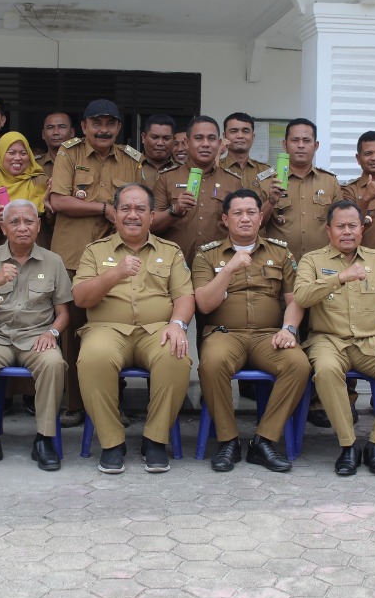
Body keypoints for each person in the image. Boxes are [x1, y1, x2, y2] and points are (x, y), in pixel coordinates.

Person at [72, 183, 195, 475]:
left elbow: (184, 296)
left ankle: (155, 439)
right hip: (107, 329)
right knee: (93, 358)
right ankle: (112, 442)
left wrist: (178, 324)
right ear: (115, 214)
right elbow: (81, 298)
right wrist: (115, 273)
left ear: (152, 216)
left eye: (140, 209)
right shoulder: (95, 251)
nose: (132, 215)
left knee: (176, 356)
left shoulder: (170, 251)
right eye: (125, 208)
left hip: (157, 331)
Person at [295, 200, 375, 477]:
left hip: (371, 343)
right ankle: (348, 445)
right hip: (328, 341)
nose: (347, 232)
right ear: (329, 230)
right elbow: (301, 297)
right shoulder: (312, 260)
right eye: (340, 226)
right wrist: (339, 278)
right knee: (326, 371)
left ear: (362, 229)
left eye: (353, 226)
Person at [46, 99, 147, 427]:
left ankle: (111, 403)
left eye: (110, 123)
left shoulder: (132, 160)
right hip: (73, 256)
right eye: (97, 123)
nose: (103, 129)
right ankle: (75, 404)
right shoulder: (69, 154)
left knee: (114, 329)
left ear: (118, 128)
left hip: (117, 258)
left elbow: (139, 205)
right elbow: (59, 200)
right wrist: (104, 208)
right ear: (84, 127)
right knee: (73, 333)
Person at [192, 189, 306, 473]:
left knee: (298, 365)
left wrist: (288, 330)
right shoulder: (207, 255)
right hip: (224, 334)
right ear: (225, 219)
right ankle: (228, 441)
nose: (245, 219)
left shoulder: (280, 253)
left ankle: (264, 441)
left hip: (269, 335)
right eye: (238, 213)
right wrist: (228, 269)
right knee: (212, 363)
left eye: (251, 212)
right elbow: (204, 304)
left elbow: (295, 300)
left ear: (260, 217)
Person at [0, 198, 72, 471]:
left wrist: (52, 333)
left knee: (54, 363)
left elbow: (63, 313)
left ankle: (44, 439)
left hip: (37, 337)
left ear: (38, 226)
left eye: (29, 221)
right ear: (3, 227)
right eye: (15, 222)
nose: (23, 227)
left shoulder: (53, 261)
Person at [151, 116, 243, 267]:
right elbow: (150, 225)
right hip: (174, 267)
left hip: (218, 268)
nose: (205, 144)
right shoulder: (167, 178)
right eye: (199, 138)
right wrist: (175, 210)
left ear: (219, 143)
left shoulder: (233, 182)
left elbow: (242, 227)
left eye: (211, 138)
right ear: (187, 143)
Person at [259, 118, 341, 261]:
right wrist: (271, 202)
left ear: (316, 145)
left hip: (321, 264)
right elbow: (255, 225)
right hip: (279, 263)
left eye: (306, 140)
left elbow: (340, 223)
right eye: (295, 140)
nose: (301, 145)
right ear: (284, 144)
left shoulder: (330, 182)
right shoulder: (268, 182)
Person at [0, 130, 47, 248]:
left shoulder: (41, 181)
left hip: (35, 252)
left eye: (23, 153)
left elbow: (52, 221)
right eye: (11, 153)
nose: (17, 158)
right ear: (1, 154)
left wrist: (51, 205)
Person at [220, 112, 267, 192]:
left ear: (253, 137)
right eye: (233, 131)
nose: (240, 136)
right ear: (224, 136)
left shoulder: (265, 171)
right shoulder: (215, 168)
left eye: (245, 131)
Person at [138, 114, 179, 185]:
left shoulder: (182, 170)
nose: (160, 143)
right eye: (154, 137)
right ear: (143, 137)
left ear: (174, 140)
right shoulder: (130, 166)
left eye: (166, 138)